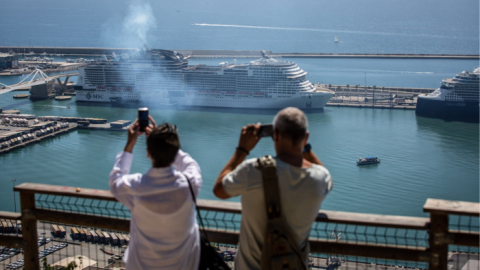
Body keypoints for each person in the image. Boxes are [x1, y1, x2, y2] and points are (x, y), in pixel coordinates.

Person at [213, 107, 333, 270]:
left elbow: (219, 190)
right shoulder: (320, 178)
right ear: (306, 138)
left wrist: (242, 149)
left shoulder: (252, 170)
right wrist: (304, 148)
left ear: (275, 135)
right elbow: (324, 174)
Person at [109, 116, 202, 270]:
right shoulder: (190, 185)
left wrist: (130, 143)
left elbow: (115, 179)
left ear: (148, 153)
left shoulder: (136, 187)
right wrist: (166, 144)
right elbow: (190, 164)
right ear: (174, 154)